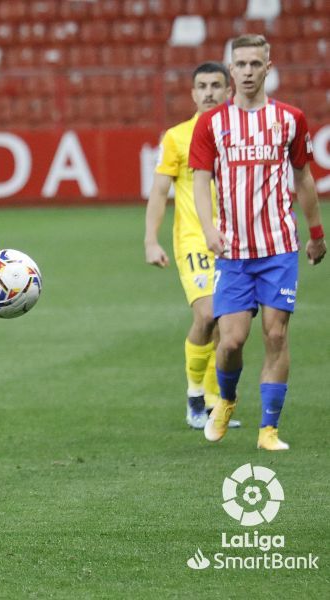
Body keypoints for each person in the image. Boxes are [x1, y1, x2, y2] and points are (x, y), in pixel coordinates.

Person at [190, 34, 326, 450]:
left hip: (279, 247)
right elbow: (200, 181)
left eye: (255, 64)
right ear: (231, 70)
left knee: (276, 335)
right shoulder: (212, 123)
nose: (248, 71)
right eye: (241, 64)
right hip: (233, 251)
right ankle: (227, 399)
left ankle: (269, 430)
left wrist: (317, 233)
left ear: (268, 67)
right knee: (230, 340)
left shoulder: (290, 119)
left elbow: (303, 177)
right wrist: (210, 229)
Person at [144, 62, 241, 430]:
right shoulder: (176, 137)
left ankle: (215, 401)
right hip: (194, 241)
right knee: (207, 315)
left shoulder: (240, 133)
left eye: (216, 85)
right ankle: (195, 399)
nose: (209, 92)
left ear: (229, 91)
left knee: (227, 325)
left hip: (237, 243)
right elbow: (159, 192)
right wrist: (151, 240)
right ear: (192, 93)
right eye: (202, 86)